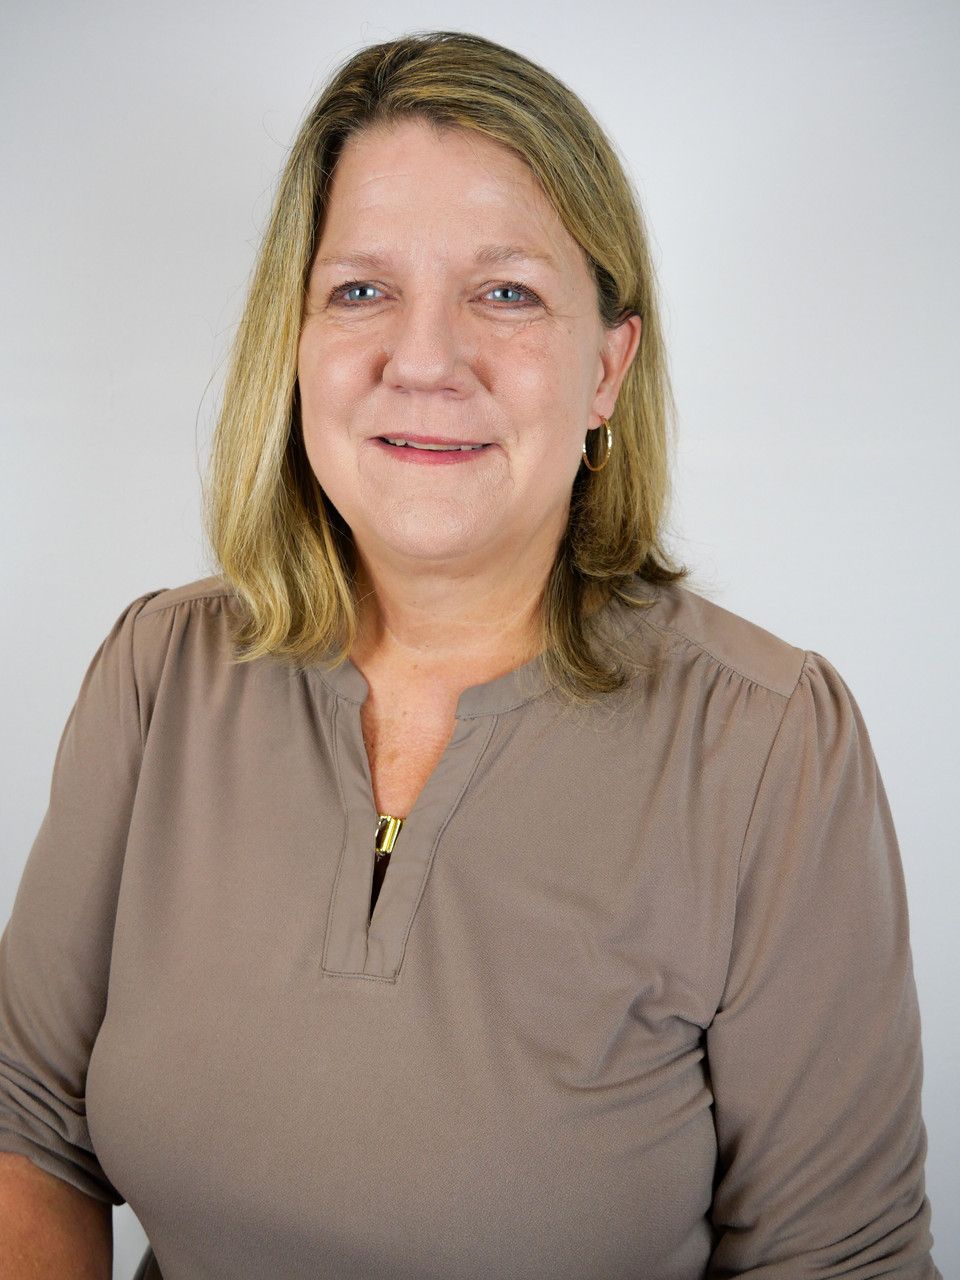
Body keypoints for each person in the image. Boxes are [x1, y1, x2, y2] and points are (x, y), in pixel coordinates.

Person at [0, 29, 941, 1280]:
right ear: (295, 340)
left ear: (606, 368)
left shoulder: (771, 745)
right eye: (361, 289)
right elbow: (31, 1134)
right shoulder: (158, 672)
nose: (424, 359)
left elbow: (841, 1261)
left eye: (504, 292)